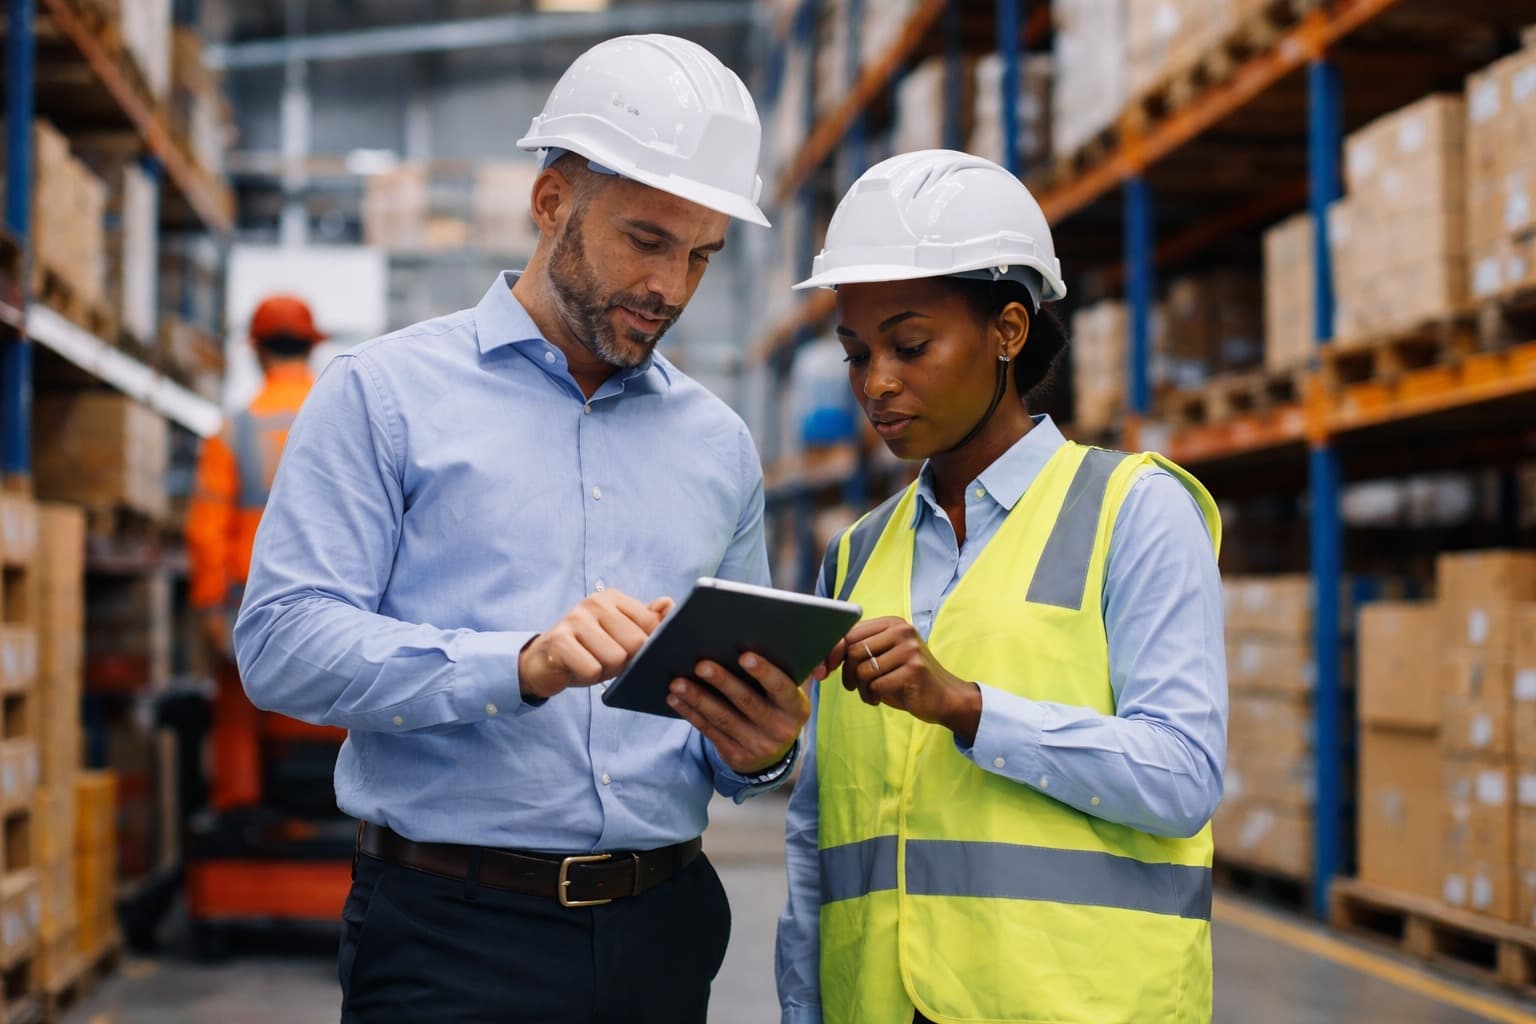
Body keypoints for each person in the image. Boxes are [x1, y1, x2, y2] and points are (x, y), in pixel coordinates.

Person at [235, 35, 808, 1024]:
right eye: (646, 239)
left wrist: (762, 750)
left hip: (664, 927)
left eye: (703, 254)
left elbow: (730, 745)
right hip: (451, 933)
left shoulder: (717, 444)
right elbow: (281, 644)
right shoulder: (385, 397)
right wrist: (520, 664)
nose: (672, 286)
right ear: (551, 204)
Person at [775, 150, 1227, 1024]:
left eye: (910, 346)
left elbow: (1183, 777)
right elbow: (817, 830)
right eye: (856, 354)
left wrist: (969, 707)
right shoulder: (855, 556)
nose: (877, 383)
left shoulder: (1133, 514)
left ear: (1009, 331)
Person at [185, 293, 339, 812]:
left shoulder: (232, 432)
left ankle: (241, 809)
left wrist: (209, 607)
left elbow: (207, 529)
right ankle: (341, 806)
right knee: (347, 704)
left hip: (246, 605)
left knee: (236, 714)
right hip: (338, 602)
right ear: (312, 347)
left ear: (255, 350)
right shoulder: (341, 419)